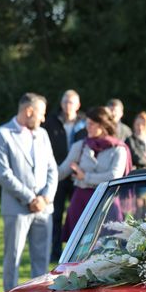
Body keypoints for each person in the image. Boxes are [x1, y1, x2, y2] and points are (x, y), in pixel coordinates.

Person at [0, 93, 58, 292]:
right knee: (13, 257)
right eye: (41, 114)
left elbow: (52, 169)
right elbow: (3, 174)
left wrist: (45, 198)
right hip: (17, 207)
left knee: (42, 260)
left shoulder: (42, 134)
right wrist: (30, 198)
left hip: (44, 208)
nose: (43, 119)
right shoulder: (1, 134)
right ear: (29, 111)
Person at [58, 106, 131, 240]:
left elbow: (113, 176)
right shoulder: (80, 146)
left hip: (106, 201)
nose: (87, 127)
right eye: (87, 123)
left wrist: (84, 176)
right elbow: (61, 171)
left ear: (103, 125)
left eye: (91, 124)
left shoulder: (119, 149)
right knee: (79, 247)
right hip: (81, 200)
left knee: (110, 245)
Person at [42, 90, 86, 262]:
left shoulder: (84, 122)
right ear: (61, 104)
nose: (68, 105)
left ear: (78, 105)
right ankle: (54, 251)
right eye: (66, 102)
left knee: (77, 215)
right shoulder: (51, 122)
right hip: (57, 174)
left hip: (78, 175)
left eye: (72, 102)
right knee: (55, 214)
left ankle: (76, 251)